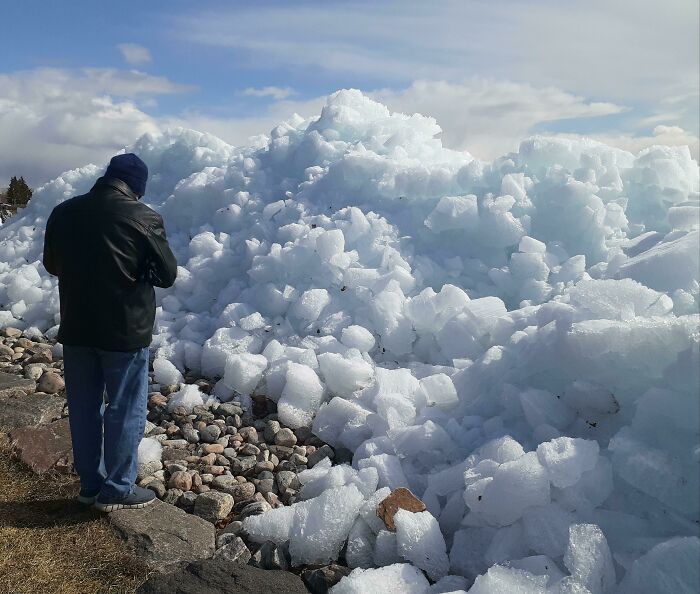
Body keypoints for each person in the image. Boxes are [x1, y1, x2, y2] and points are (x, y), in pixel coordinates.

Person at [43, 153, 177, 512]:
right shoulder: (143, 217)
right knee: (125, 408)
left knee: (84, 408)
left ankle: (90, 486)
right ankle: (117, 488)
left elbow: (52, 264)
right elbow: (166, 275)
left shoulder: (64, 212)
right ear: (137, 187)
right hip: (125, 331)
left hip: (77, 326)